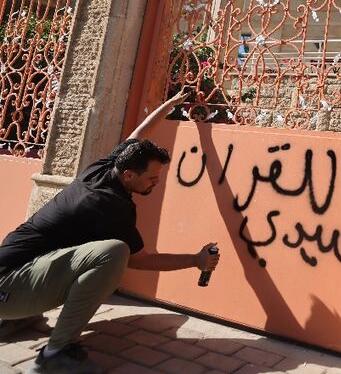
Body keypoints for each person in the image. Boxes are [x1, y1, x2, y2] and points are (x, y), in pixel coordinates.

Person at [0, 91, 220, 374]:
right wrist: (195, 260)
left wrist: (170, 104)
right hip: (9, 287)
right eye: (152, 178)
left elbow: (139, 133)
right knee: (114, 252)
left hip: (13, 274)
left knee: (86, 253)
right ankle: (54, 354)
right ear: (129, 175)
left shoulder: (105, 167)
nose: (156, 183)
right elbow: (141, 260)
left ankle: (19, 317)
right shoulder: (108, 205)